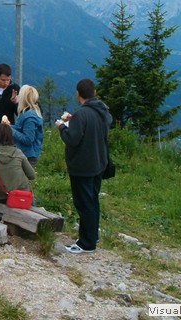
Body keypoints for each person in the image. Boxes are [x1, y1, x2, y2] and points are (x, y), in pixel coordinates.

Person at [55, 78, 112, 254]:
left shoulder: (82, 114)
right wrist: (74, 120)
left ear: (78, 94)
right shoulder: (102, 111)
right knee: (93, 201)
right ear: (94, 93)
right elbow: (91, 128)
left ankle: (86, 243)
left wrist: (62, 127)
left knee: (84, 203)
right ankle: (92, 236)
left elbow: (72, 139)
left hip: (83, 166)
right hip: (99, 163)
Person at [4, 84, 44, 168]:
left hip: (28, 156)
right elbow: (21, 129)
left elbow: (28, 139)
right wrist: (9, 126)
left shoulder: (29, 118)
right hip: (26, 154)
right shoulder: (29, 112)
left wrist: (10, 129)